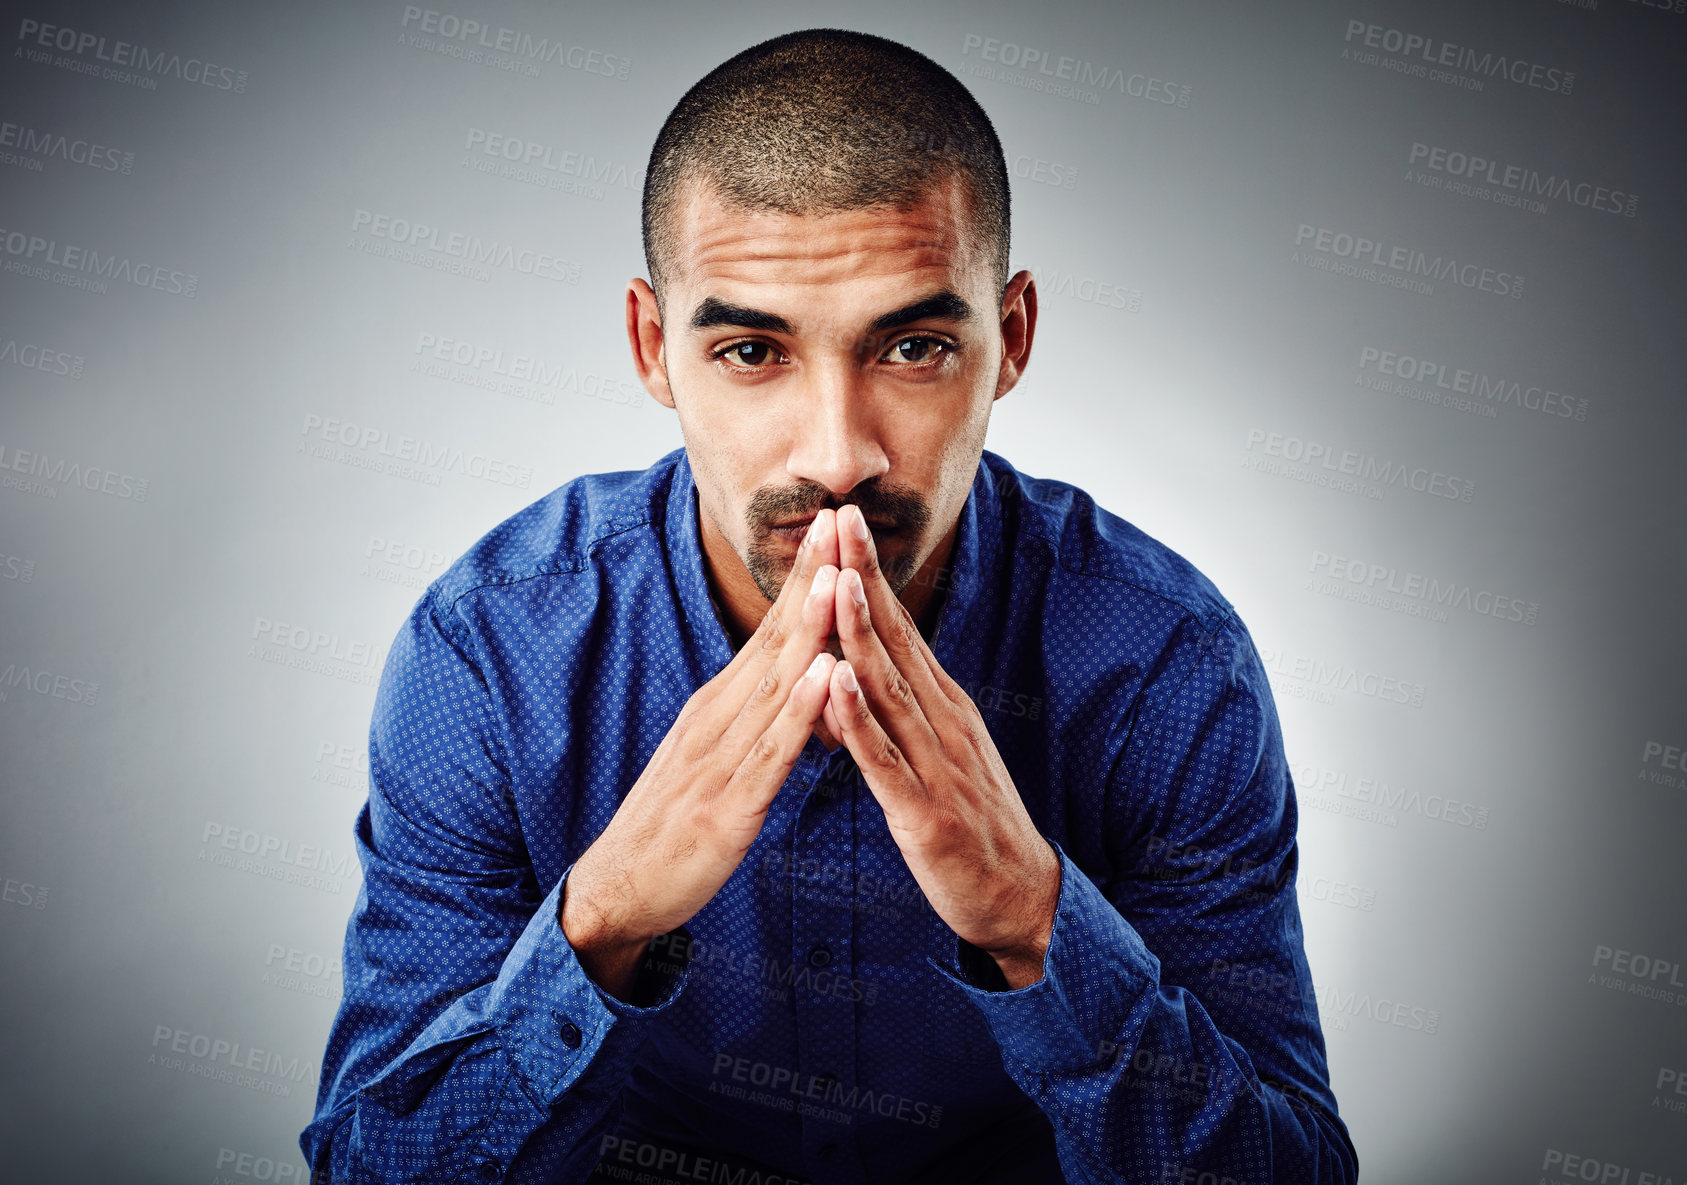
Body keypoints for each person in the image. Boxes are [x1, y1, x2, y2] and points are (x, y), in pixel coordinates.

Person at [300, 27, 1357, 1185]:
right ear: (656, 348)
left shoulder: (1163, 662)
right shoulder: (492, 654)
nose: (839, 453)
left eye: (910, 346)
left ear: (1007, 341)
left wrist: (1034, 920)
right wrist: (597, 923)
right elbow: (372, 1166)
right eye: (752, 350)